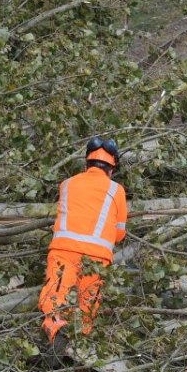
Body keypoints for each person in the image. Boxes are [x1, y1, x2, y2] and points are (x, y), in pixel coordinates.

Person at [38, 136, 128, 357]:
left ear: (86, 164)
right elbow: (119, 233)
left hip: (64, 251)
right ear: (111, 168)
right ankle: (78, 350)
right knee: (86, 310)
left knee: (55, 299)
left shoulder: (67, 184)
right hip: (97, 259)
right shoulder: (117, 191)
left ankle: (55, 339)